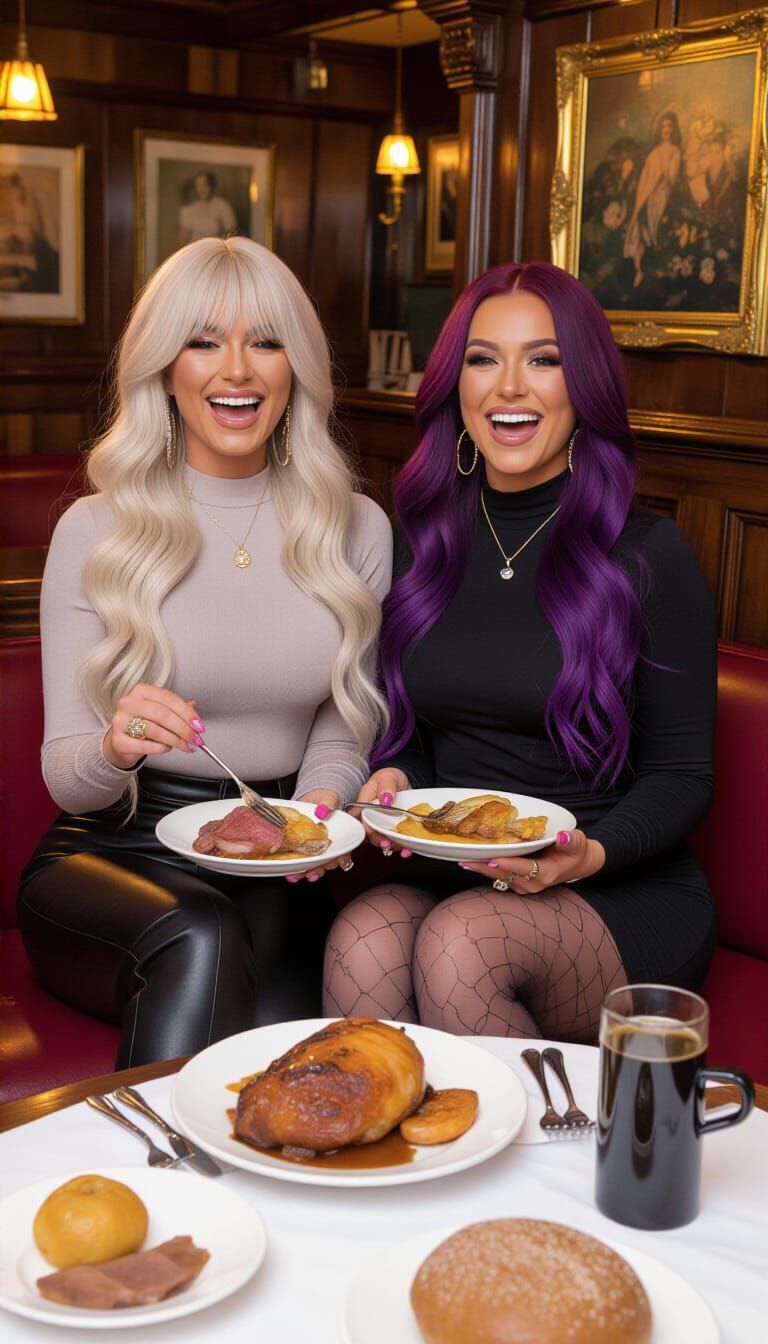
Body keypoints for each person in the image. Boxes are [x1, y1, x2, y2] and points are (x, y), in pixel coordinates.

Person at [18, 235, 392, 1068]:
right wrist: (115, 744)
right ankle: (149, 1188)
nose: (238, 370)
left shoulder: (357, 530)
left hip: (277, 848)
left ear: (295, 365)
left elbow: (341, 731)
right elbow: (65, 774)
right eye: (203, 341)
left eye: (265, 341)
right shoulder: (95, 531)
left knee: (295, 1022)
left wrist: (314, 820)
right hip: (112, 852)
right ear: (164, 367)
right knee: (205, 932)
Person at [323, 260, 716, 1043]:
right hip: (460, 871)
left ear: (586, 386)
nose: (509, 386)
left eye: (544, 359)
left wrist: (588, 855)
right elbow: (428, 740)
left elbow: (684, 776)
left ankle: (534, 1165)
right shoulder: (423, 543)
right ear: (454, 386)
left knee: (461, 944)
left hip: (615, 883)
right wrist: (398, 778)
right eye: (482, 358)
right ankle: (396, 1163)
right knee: (360, 938)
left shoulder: (648, 554)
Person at [624, 111, 682, 287]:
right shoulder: (654, 152)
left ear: (673, 130)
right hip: (646, 198)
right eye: (663, 126)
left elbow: (671, 179)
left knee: (653, 233)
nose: (666, 129)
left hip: (661, 197)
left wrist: (663, 172)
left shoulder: (674, 151)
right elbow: (644, 178)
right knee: (640, 231)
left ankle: (649, 270)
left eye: (669, 126)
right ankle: (638, 269)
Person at [176, 171, 237, 246]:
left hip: (215, 250)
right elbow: (183, 238)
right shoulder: (189, 209)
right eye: (198, 185)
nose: (201, 189)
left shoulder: (222, 206)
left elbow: (231, 233)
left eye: (205, 185)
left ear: (211, 186)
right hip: (195, 251)